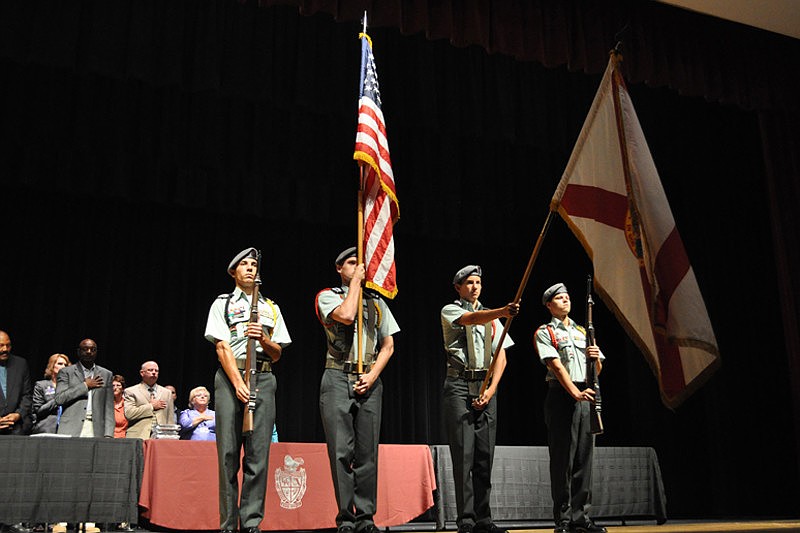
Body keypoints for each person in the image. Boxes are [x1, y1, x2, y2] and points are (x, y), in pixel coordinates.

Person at [204, 247, 291, 533]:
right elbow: (221, 346)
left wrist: (264, 338)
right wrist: (238, 382)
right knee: (228, 453)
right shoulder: (223, 303)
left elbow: (278, 352)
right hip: (232, 378)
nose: (251, 269)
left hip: (264, 378)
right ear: (233, 272)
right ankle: (228, 524)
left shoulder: (271, 307)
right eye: (244, 264)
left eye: (254, 264)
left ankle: (252, 522)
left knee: (258, 455)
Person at [315, 247, 400, 533]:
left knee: (367, 453)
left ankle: (366, 518)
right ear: (339, 268)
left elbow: (388, 345)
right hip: (338, 376)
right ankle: (346, 518)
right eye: (352, 263)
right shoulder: (328, 296)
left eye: (360, 264)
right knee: (341, 451)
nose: (358, 267)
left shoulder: (376, 302)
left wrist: (373, 374)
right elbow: (347, 315)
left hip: (369, 379)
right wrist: (355, 283)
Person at [440, 265, 518, 533]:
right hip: (460, 386)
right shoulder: (452, 310)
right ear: (458, 287)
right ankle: (466, 520)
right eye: (469, 283)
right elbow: (472, 319)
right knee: (464, 456)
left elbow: (502, 357)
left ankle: (484, 519)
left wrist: (491, 389)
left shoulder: (494, 320)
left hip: (485, 387)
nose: (474, 287)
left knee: (484, 457)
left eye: (478, 282)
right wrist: (502, 312)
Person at [534, 283, 606, 533]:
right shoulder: (545, 331)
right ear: (549, 304)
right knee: (563, 459)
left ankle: (581, 517)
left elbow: (597, 371)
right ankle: (563, 519)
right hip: (562, 396)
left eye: (567, 297)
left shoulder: (582, 331)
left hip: (585, 393)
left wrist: (595, 359)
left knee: (584, 459)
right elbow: (556, 365)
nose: (565, 300)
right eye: (559, 298)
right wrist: (574, 393)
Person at [55, 338, 114, 438]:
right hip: (71, 426)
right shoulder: (66, 372)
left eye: (93, 349)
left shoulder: (106, 374)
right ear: (78, 352)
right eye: (85, 349)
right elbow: (59, 399)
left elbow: (109, 408)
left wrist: (108, 434)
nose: (89, 352)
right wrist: (85, 386)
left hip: (96, 428)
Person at [124, 360, 175, 439]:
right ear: (142, 373)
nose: (154, 372)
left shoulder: (167, 393)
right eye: (150, 370)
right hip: (139, 435)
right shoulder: (131, 391)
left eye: (156, 371)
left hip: (161, 437)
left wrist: (170, 437)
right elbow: (129, 414)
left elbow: (170, 418)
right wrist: (151, 406)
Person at [0, 330, 33, 436]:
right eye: (1, 346)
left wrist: (18, 414)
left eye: (8, 345)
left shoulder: (20, 364)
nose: (5, 349)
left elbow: (27, 394)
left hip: (17, 427)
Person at [31, 353, 71, 434]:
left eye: (65, 364)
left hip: (67, 428)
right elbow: (38, 410)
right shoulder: (41, 385)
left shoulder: (72, 387)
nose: (63, 366)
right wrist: (57, 400)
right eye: (60, 364)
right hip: (46, 428)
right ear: (52, 366)